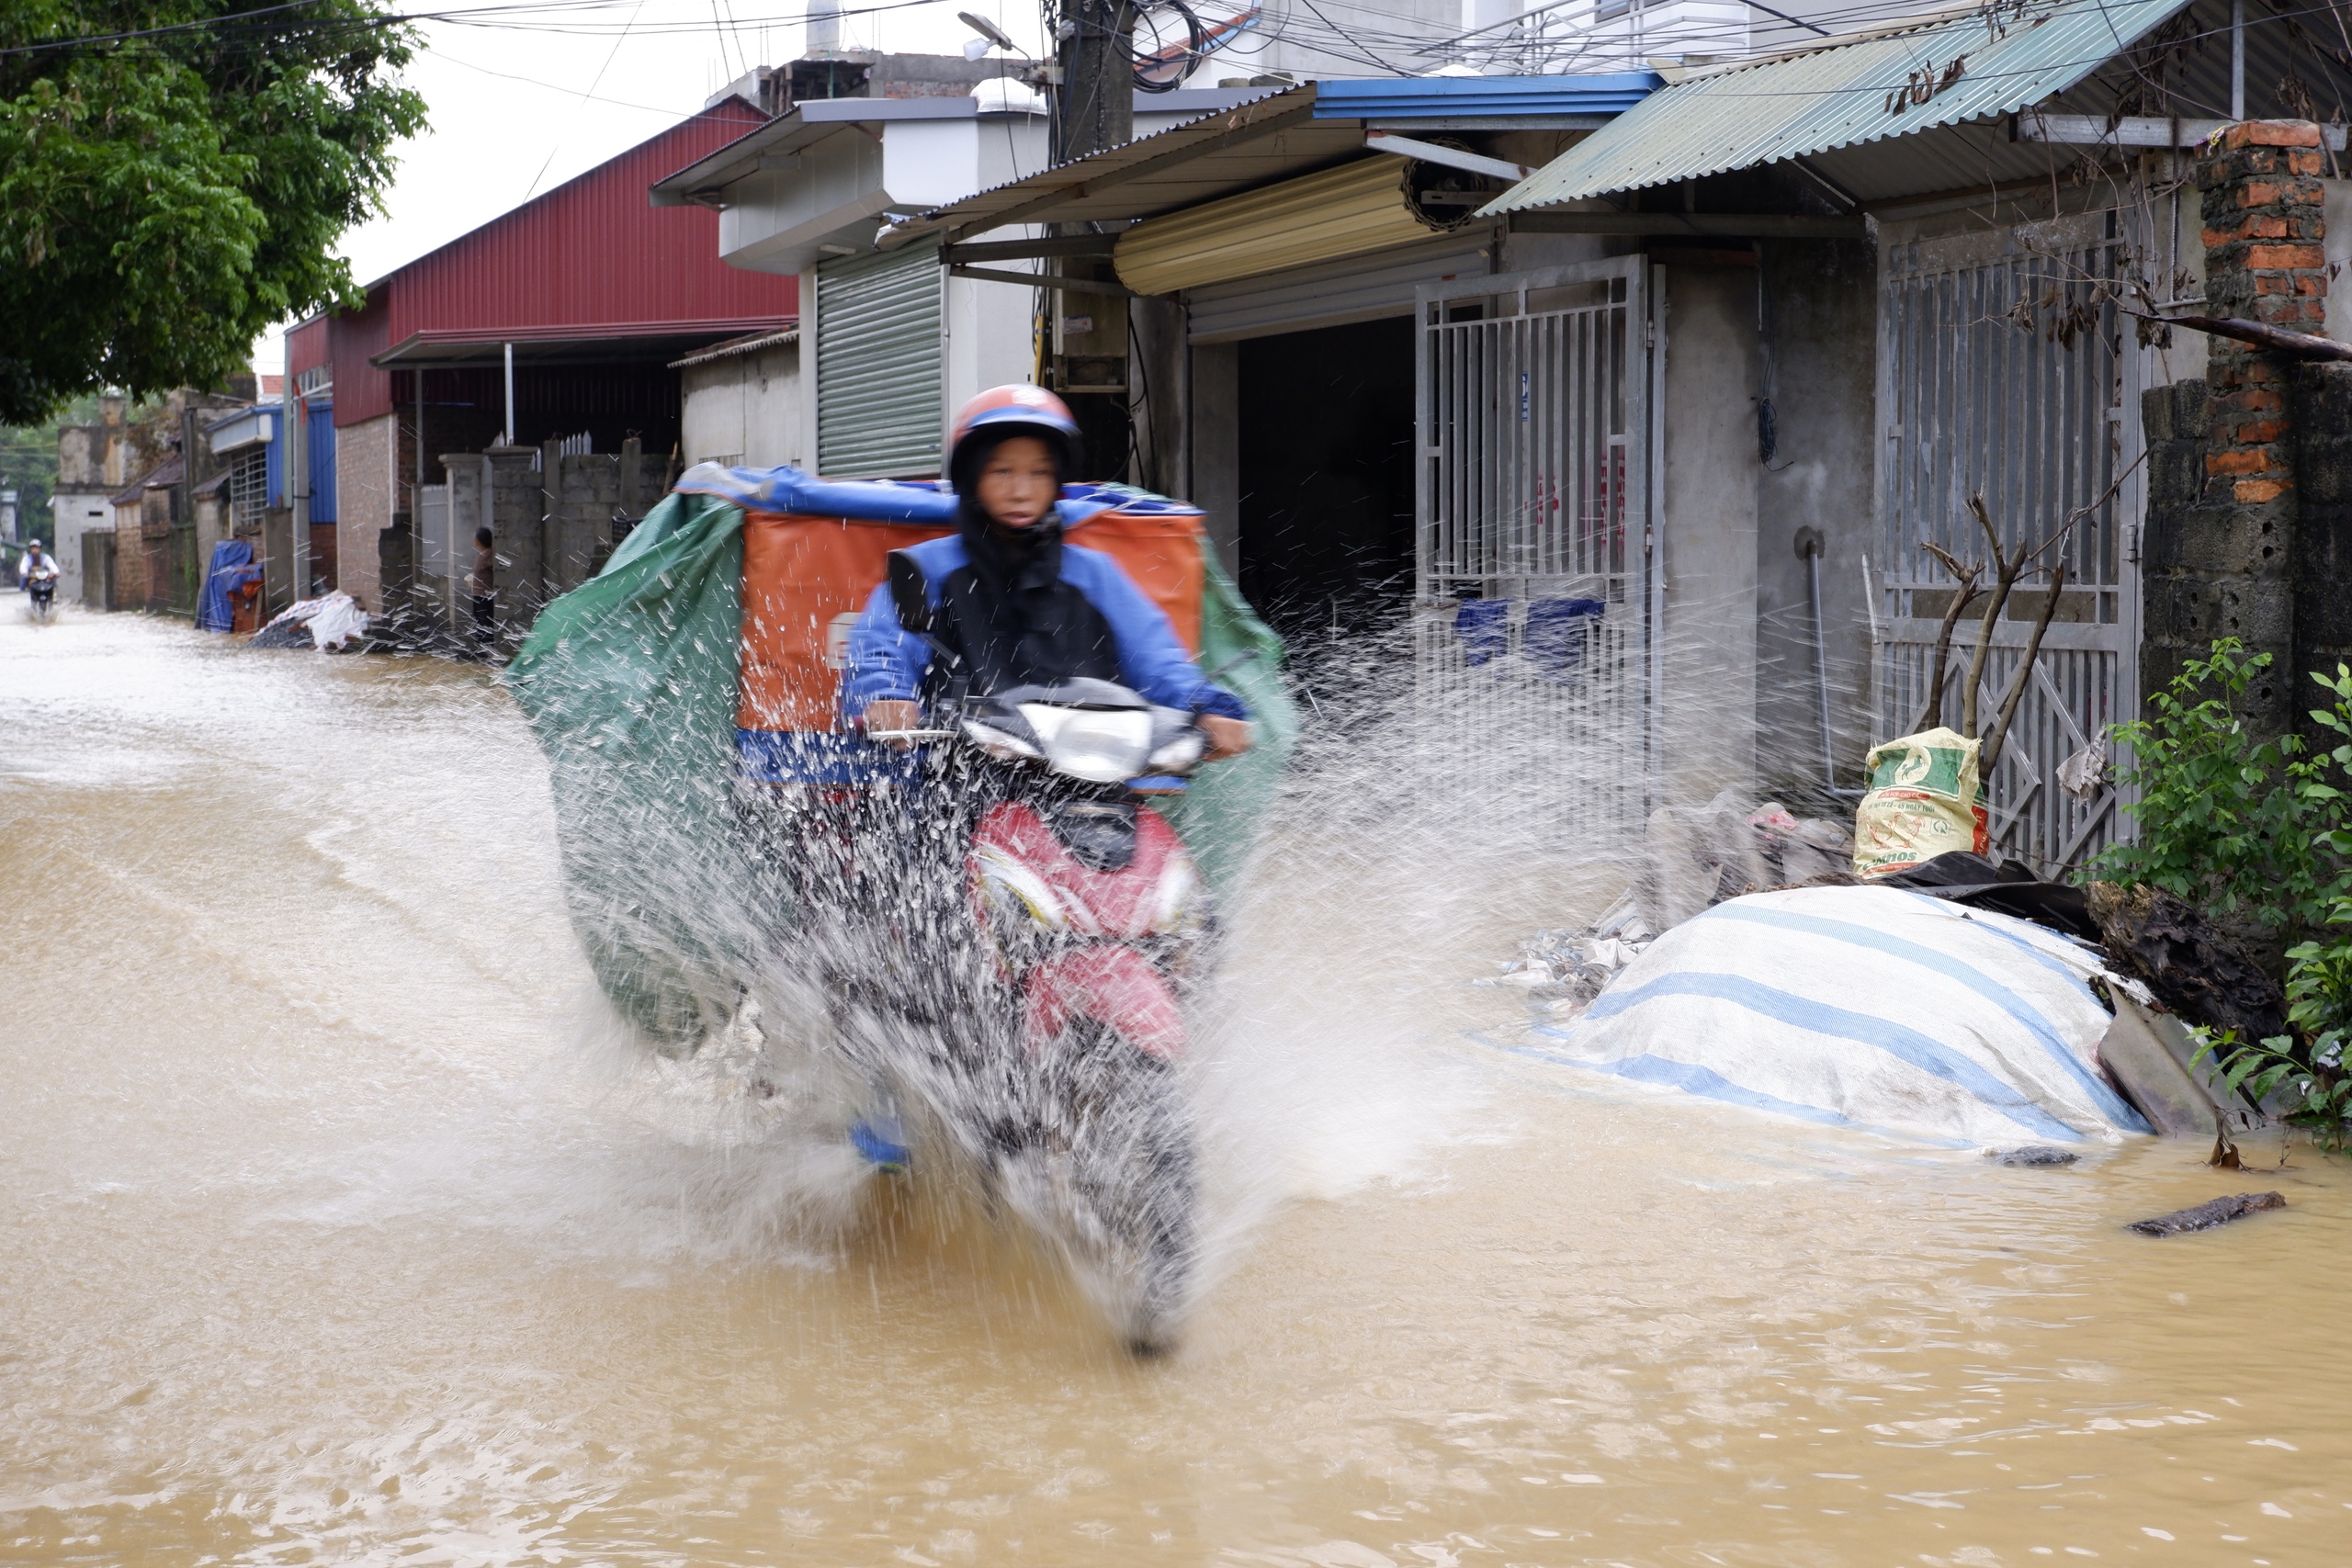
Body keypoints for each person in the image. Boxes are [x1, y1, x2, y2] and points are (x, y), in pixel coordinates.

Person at [845, 385, 1252, 761]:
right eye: (1001, 471)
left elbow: (1156, 659)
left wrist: (1209, 708)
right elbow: (882, 648)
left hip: (1096, 774)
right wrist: (886, 696)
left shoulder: (1094, 573)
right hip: (963, 778)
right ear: (972, 478)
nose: (1021, 490)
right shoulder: (928, 567)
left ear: (1056, 481)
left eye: (1038, 473)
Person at [468, 526, 497, 648]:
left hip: (485, 595)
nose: (473, 539)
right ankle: (483, 651)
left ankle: (489, 651)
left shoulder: (489, 554)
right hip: (478, 595)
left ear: (480, 540)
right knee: (479, 622)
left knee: (485, 623)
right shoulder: (481, 554)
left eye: (475, 537)